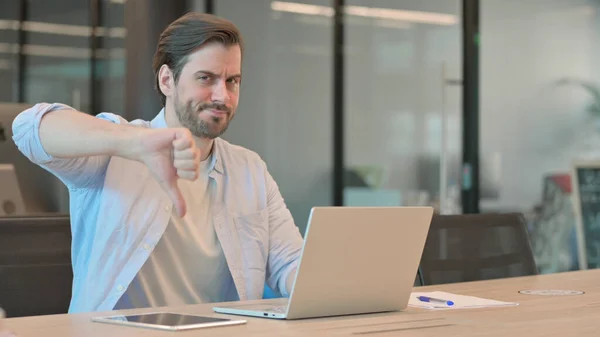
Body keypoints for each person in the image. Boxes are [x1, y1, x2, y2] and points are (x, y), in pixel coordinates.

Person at [12, 12, 303, 313]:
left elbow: (290, 263)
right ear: (167, 80)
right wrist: (137, 143)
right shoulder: (116, 151)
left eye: (232, 81)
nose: (222, 96)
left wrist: (331, 284)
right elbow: (27, 128)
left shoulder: (249, 170)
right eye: (206, 78)